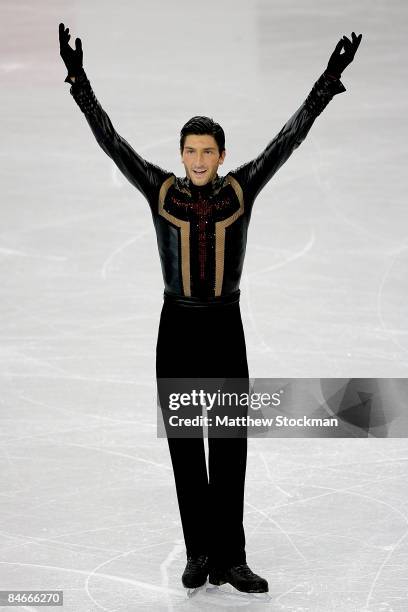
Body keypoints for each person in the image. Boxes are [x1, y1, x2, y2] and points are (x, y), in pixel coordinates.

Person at [59, 23, 362, 593]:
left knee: (228, 445)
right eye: (190, 150)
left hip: (225, 325)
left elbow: (287, 139)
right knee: (184, 443)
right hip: (176, 325)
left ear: (222, 155)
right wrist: (80, 83)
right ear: (181, 154)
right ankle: (200, 552)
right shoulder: (160, 190)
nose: (198, 159)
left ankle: (233, 557)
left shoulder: (241, 189)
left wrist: (327, 81)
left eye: (208, 151)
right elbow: (112, 140)